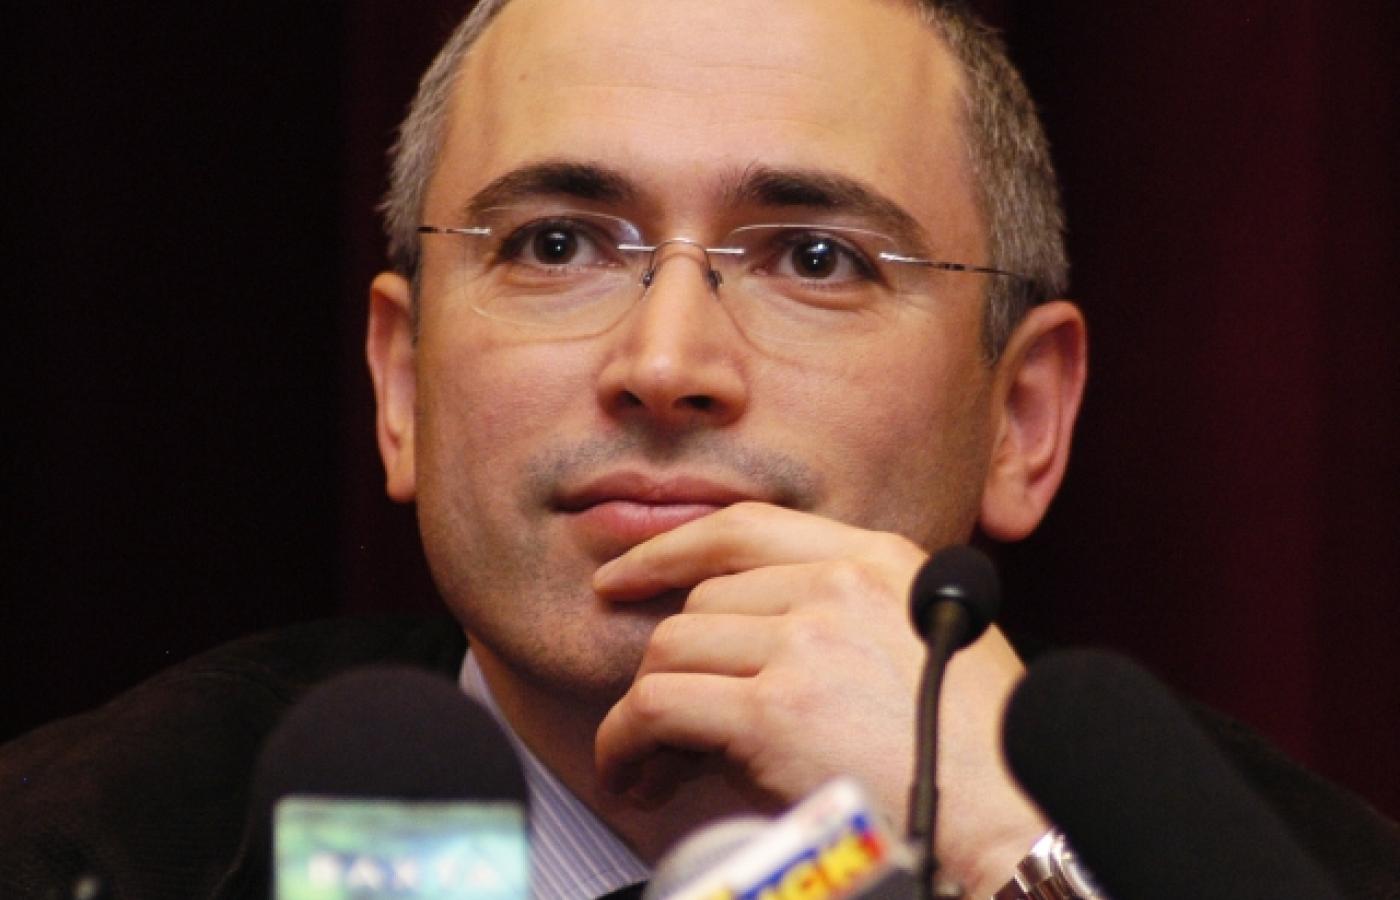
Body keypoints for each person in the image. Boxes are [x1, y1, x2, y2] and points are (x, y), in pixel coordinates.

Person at [2, 1, 1397, 898]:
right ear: (402, 383)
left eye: (813, 258)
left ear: (1023, 420)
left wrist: (1010, 858)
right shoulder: (68, 846)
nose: (665, 365)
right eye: (557, 245)